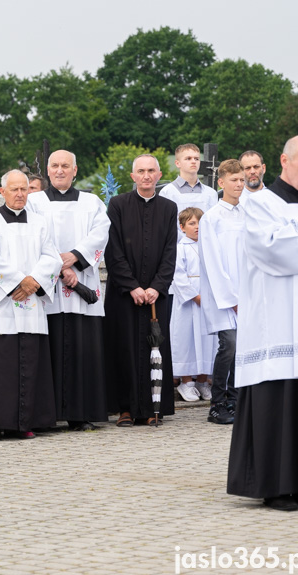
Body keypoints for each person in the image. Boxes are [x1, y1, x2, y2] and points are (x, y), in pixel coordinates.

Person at [227, 135, 298, 512]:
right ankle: (276, 485)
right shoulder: (258, 203)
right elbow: (273, 252)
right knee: (278, 397)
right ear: (284, 160)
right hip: (276, 322)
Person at [0, 170, 61, 439]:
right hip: (0, 307)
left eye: (24, 189)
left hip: (31, 305)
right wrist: (18, 283)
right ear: (2, 192)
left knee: (30, 364)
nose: (20, 194)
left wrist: (34, 281)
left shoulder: (41, 222)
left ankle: (26, 423)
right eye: (14, 189)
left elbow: (52, 257)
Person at [27, 150, 110, 431]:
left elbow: (101, 233)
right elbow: (31, 236)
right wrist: (60, 268)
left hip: (82, 286)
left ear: (75, 170)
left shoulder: (92, 202)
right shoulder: (34, 202)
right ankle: (45, 415)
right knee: (46, 351)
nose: (60, 171)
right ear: (47, 171)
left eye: (65, 166)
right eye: (55, 166)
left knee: (82, 351)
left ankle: (80, 414)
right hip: (49, 287)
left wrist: (75, 256)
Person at [104, 154, 178, 427]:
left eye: (151, 171)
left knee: (154, 349)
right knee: (123, 347)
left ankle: (152, 408)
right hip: (124, 293)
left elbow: (171, 252)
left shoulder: (169, 208)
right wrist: (133, 286)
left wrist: (157, 287)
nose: (146, 176)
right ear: (133, 176)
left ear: (159, 176)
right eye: (141, 171)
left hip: (155, 296)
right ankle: (124, 408)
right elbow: (113, 250)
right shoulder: (118, 204)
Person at [198, 160, 246, 425]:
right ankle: (216, 404)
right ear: (221, 182)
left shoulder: (247, 214)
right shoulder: (213, 217)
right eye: (234, 180)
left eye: (241, 180)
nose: (239, 185)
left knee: (243, 349)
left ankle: (236, 401)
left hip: (247, 294)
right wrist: (232, 298)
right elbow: (213, 262)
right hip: (224, 296)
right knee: (229, 346)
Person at [170, 207, 215, 403]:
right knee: (187, 340)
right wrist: (194, 296)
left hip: (210, 298)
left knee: (208, 339)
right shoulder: (180, 248)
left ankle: (203, 381)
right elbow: (178, 275)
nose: (197, 227)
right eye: (192, 223)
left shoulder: (211, 246)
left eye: (199, 223)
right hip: (188, 302)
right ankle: (186, 381)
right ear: (182, 227)